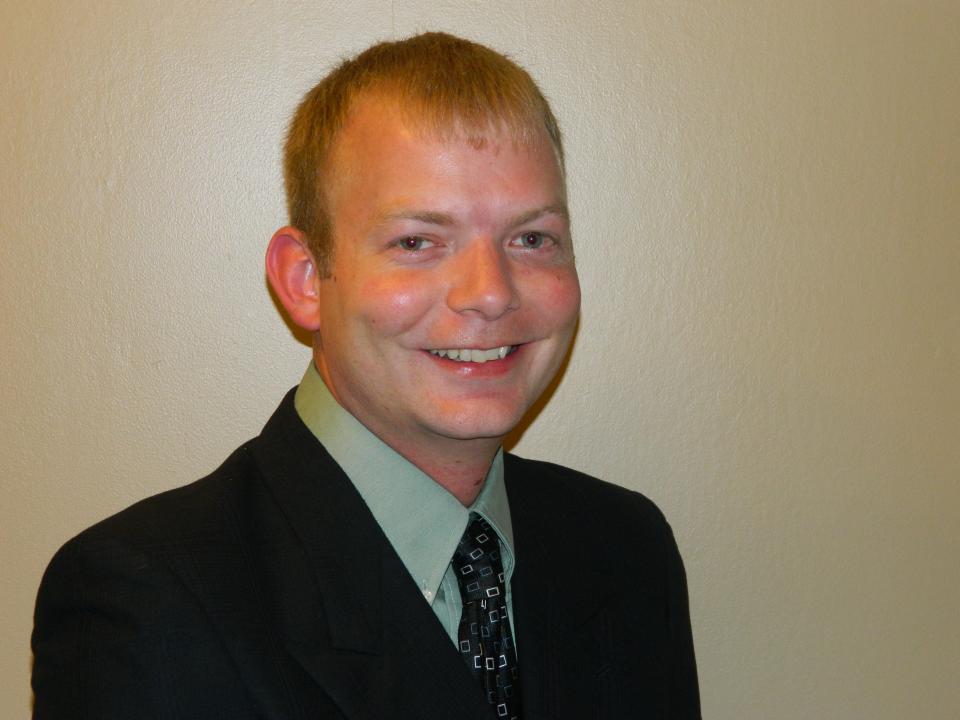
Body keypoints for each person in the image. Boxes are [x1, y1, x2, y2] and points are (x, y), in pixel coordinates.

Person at [32, 32, 700, 719]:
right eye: (417, 241)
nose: (491, 293)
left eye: (531, 239)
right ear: (305, 280)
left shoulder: (625, 548)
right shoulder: (145, 602)